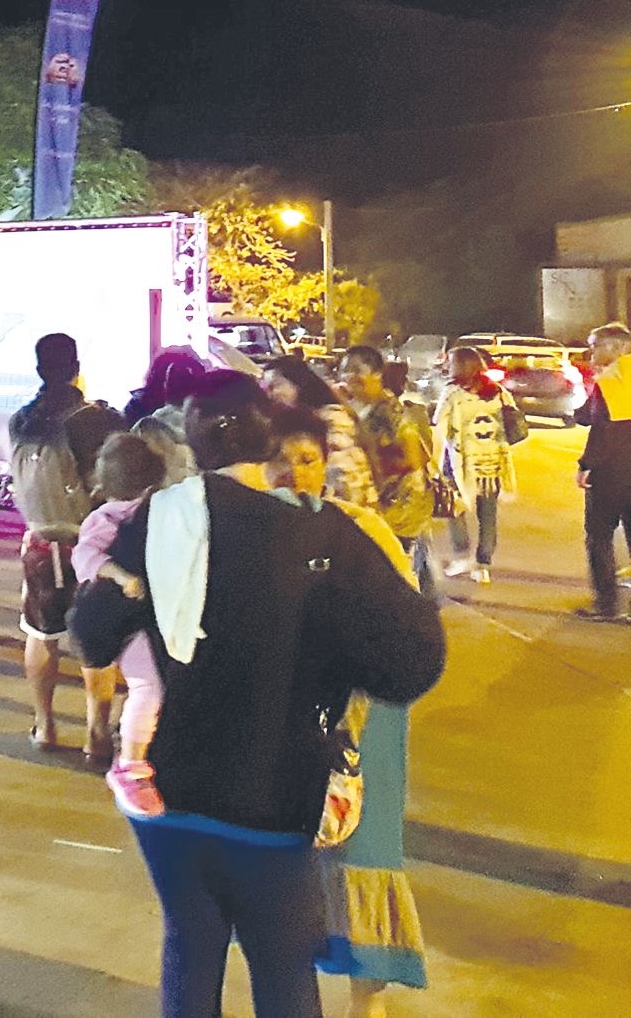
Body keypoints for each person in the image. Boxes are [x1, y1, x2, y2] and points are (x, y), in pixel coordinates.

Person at [70, 375, 445, 1018]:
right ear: (269, 439)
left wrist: (131, 593)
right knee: (281, 967)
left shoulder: (157, 520)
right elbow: (413, 662)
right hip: (274, 795)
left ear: (190, 442)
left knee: (189, 950)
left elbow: (92, 636)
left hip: (168, 790)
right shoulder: (322, 534)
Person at [262, 410, 428, 1018]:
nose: (295, 474)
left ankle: (366, 1001)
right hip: (281, 715)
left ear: (326, 464)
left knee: (363, 850)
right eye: (280, 462)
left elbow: (408, 622)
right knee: (287, 857)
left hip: (361, 716)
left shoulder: (360, 528)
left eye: (307, 460)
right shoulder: (250, 531)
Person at [7, 332, 124, 752]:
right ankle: (97, 735)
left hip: (40, 541)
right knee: (96, 640)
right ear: (76, 368)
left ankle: (45, 727)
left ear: (40, 369)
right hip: (91, 544)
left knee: (41, 634)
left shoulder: (20, 420)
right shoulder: (96, 419)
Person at [73, 430, 170, 803]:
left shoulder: (113, 514)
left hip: (132, 618)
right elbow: (86, 557)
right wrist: (121, 576)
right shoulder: (119, 517)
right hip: (127, 619)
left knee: (149, 687)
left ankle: (133, 753)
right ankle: (130, 762)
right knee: (148, 687)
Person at [338, 347, 439, 595]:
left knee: (394, 570)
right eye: (345, 370)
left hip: (400, 507)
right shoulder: (355, 407)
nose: (350, 376)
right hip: (377, 505)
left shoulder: (391, 411)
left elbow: (413, 458)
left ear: (377, 374)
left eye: (357, 370)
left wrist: (368, 465)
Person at [434, 344, 517, 587]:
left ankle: (462, 556)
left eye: (450, 362)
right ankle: (483, 565)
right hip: (492, 463)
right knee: (488, 515)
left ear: (459, 366)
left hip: (460, 462)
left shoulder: (453, 393)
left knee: (454, 509)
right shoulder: (498, 391)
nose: (447, 366)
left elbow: (438, 421)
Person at [265, 356, 378, 510]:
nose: (269, 394)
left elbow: (345, 477)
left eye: (275, 386)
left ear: (298, 383)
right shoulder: (304, 423)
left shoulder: (332, 422)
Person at [575, 321, 631, 620]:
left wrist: (585, 465)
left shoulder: (610, 381)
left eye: (595, 346)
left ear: (611, 348)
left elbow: (597, 426)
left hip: (612, 473)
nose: (591, 352)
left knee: (599, 537)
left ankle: (607, 604)